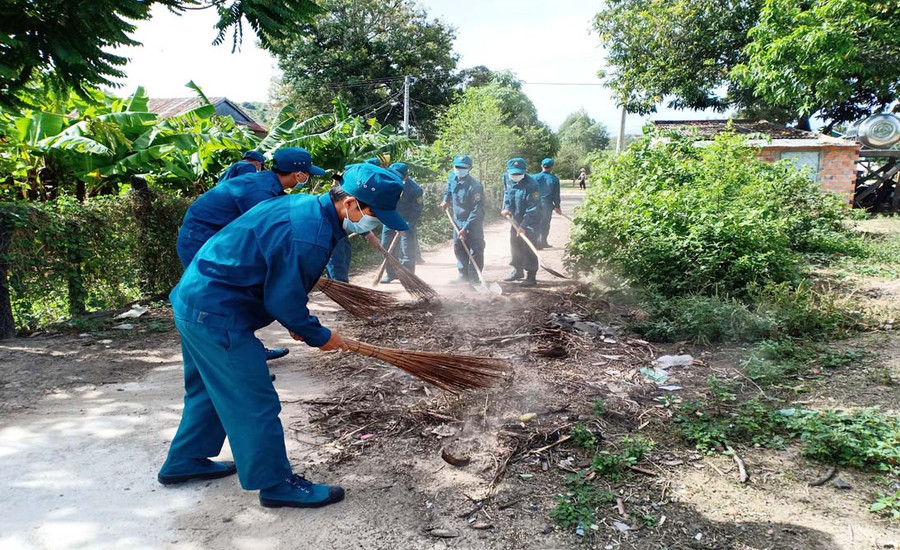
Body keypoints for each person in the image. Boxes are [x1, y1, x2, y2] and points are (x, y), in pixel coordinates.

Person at [157, 163, 409, 509]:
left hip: (196, 300)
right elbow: (282, 300)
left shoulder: (303, 206)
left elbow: (275, 275)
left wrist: (296, 319)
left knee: (207, 389)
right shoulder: (308, 234)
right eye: (373, 214)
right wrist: (318, 334)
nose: (374, 222)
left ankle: (186, 460)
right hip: (216, 313)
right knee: (254, 400)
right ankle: (276, 484)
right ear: (350, 203)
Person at [177, 147, 324, 361]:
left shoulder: (268, 186)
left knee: (233, 301)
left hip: (216, 240)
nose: (307, 177)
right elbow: (267, 237)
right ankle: (235, 361)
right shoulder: (259, 193)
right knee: (219, 302)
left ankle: (248, 354)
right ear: (298, 174)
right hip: (200, 240)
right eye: (307, 173)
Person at [440, 154, 484, 284]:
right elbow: (448, 190)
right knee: (458, 247)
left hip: (472, 222)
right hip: (457, 220)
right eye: (457, 166)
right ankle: (463, 274)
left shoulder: (475, 186)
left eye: (462, 167)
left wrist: (466, 228)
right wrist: (445, 200)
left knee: (475, 250)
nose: (459, 169)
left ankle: (475, 278)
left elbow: (477, 211)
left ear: (470, 168)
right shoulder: (452, 177)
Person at [501, 158, 542, 287]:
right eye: (513, 174)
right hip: (515, 219)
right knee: (515, 244)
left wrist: (524, 225)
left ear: (524, 172)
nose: (516, 176)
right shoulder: (506, 178)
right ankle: (517, 271)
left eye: (519, 174)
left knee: (528, 247)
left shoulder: (532, 184)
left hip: (531, 221)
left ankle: (531, 275)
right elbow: (507, 194)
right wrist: (506, 207)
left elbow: (533, 207)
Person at [380, 162, 424, 282]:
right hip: (390, 220)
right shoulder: (387, 185)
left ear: (406, 176)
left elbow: (417, 210)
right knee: (387, 247)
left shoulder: (415, 189)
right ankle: (391, 273)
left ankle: (408, 277)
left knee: (407, 250)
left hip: (406, 222)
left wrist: (405, 226)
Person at [531, 158, 562, 249]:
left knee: (535, 223)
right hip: (547, 204)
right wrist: (557, 206)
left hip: (534, 203)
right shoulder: (554, 179)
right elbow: (556, 195)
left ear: (542, 166)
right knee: (545, 224)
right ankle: (542, 242)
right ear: (552, 167)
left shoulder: (533, 177)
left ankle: (535, 243)